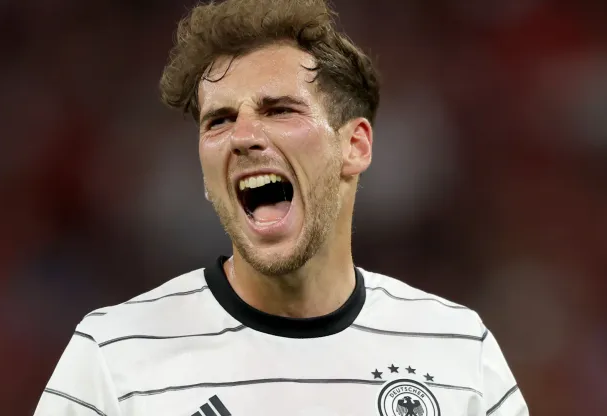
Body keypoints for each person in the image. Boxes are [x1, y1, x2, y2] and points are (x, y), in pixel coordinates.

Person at [34, 0, 529, 415]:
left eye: (280, 110)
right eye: (219, 120)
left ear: (354, 147)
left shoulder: (458, 348)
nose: (244, 137)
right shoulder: (113, 355)